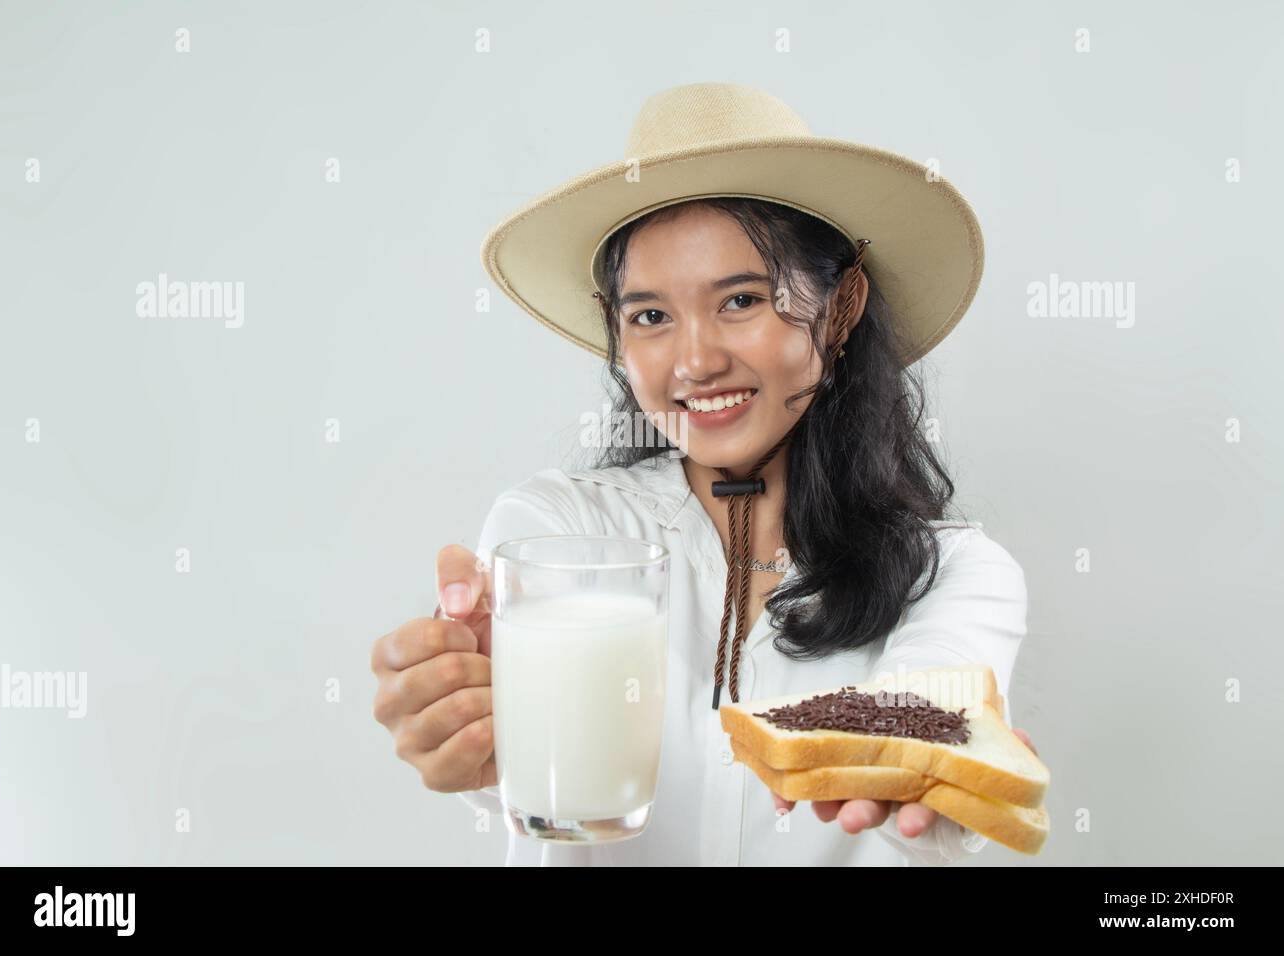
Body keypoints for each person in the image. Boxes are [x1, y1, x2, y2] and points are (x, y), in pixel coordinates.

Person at [372, 83, 1038, 865]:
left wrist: (920, 763)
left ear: (843, 304)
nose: (693, 361)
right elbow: (539, 768)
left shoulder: (954, 573)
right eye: (650, 316)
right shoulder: (557, 535)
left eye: (741, 299)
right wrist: (473, 720)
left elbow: (923, 709)